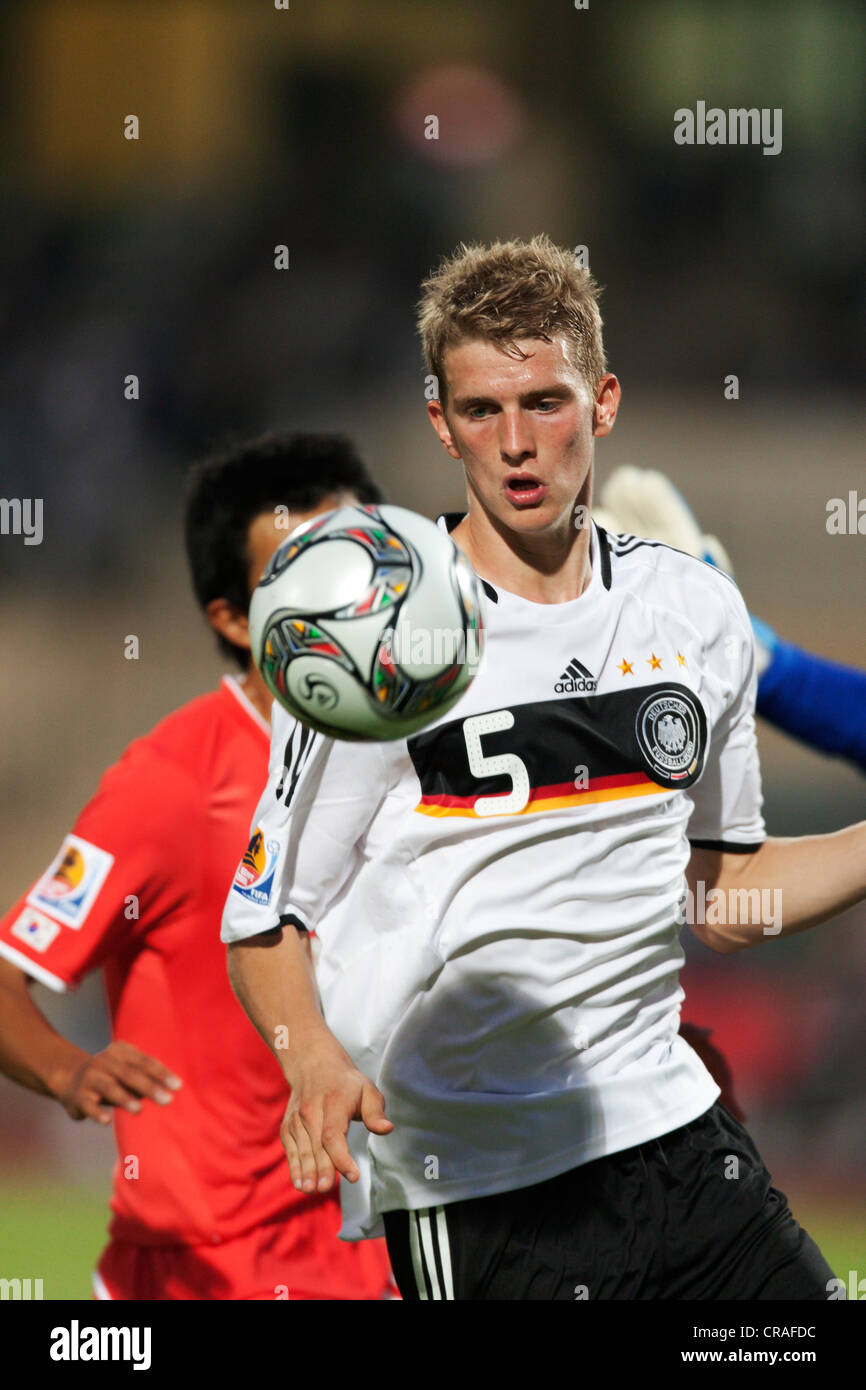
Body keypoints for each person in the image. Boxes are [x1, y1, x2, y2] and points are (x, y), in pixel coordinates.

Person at [222, 237, 865, 1300]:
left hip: (674, 1140)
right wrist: (312, 1057)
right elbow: (262, 918)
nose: (517, 443)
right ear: (439, 422)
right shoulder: (378, 636)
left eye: (545, 402)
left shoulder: (690, 609)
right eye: (481, 410)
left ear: (602, 401)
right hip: (480, 1186)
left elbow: (716, 892)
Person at [0, 432, 394, 1301]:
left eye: (363, 568)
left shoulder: (419, 757)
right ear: (234, 619)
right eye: (302, 580)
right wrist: (69, 1071)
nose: (348, 601)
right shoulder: (173, 784)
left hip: (384, 1253)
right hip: (204, 1274)